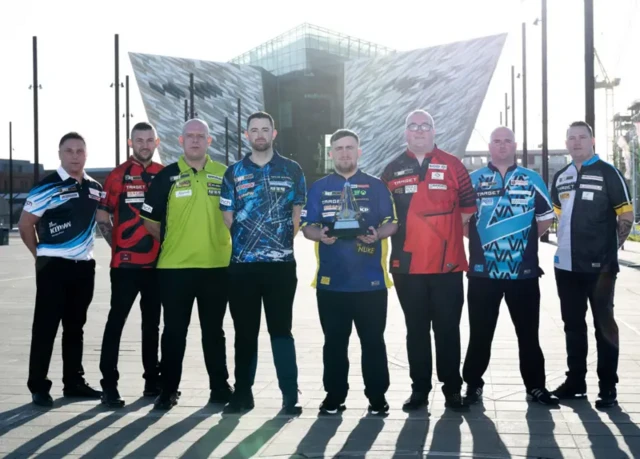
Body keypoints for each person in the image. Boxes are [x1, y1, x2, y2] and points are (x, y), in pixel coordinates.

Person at [381, 109, 477, 411]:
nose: (419, 131)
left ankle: (452, 389)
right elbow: (387, 216)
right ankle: (419, 389)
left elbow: (467, 211)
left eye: (425, 126)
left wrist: (442, 236)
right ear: (405, 132)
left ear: (434, 131)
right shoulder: (392, 169)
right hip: (407, 267)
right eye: (413, 126)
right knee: (416, 330)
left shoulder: (454, 166)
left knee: (448, 329)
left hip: (447, 267)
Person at [301, 129, 398, 415]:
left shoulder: (376, 186)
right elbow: (307, 228)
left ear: (359, 152)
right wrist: (321, 236)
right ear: (331, 154)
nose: (345, 153)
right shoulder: (319, 188)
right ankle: (334, 396)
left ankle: (377, 397)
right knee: (334, 344)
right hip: (331, 283)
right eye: (339, 148)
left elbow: (392, 223)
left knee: (373, 343)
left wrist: (376, 234)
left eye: (350, 148)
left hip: (371, 283)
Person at [462, 126, 559, 406]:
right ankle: (473, 384)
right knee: (480, 333)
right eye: (496, 141)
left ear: (515, 145)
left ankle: (536, 387)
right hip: (483, 273)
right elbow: (465, 222)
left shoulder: (531, 179)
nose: (502, 145)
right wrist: (486, 243)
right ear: (489, 146)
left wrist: (522, 242)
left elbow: (544, 219)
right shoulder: (474, 180)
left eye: (507, 141)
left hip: (523, 273)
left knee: (528, 334)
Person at [140, 118, 232, 410]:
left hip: (216, 266)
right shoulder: (165, 176)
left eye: (200, 136)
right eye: (189, 136)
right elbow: (149, 221)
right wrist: (176, 241)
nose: (195, 140)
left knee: (214, 331)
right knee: (174, 331)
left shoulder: (225, 174)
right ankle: (168, 390)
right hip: (174, 269)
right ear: (180, 141)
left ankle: (219, 388)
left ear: (209, 141)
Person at [220, 111, 306, 415]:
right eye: (254, 130)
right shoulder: (233, 173)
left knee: (281, 330)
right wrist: (252, 245)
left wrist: (277, 244)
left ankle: (289, 394)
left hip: (281, 267)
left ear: (274, 133)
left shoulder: (292, 170)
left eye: (264, 129)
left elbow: (298, 215)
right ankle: (243, 392)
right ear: (246, 135)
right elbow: (228, 217)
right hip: (242, 266)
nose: (259, 134)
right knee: (244, 331)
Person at [551, 121, 634, 408]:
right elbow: (560, 219)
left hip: (600, 269)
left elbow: (626, 215)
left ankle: (608, 387)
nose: (576, 142)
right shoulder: (560, 176)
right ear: (566, 142)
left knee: (604, 325)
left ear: (592, 140)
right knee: (572, 326)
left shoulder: (608, 173)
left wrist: (611, 250)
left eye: (582, 137)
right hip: (566, 267)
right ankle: (575, 382)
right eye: (571, 138)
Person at [18, 132, 103, 406]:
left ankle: (74, 382)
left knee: (75, 327)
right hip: (53, 268)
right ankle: (39, 386)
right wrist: (40, 256)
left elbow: (104, 222)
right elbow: (25, 225)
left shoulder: (95, 187)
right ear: (60, 154)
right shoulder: (46, 186)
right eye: (69, 151)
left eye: (80, 151)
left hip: (83, 267)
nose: (75, 156)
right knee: (45, 327)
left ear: (86, 154)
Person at [96, 122, 164, 407]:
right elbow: (102, 217)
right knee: (116, 323)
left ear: (156, 143)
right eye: (139, 140)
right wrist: (118, 247)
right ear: (130, 142)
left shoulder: (165, 175)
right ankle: (109, 385)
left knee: (152, 326)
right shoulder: (116, 176)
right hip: (123, 267)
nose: (144, 144)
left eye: (149, 140)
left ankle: (152, 382)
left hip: (157, 267)